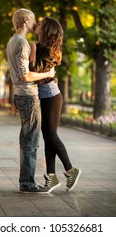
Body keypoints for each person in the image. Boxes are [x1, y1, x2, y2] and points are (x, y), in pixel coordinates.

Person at [30, 16, 81, 192]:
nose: (36, 24)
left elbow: (34, 69)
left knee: (51, 135)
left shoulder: (47, 50)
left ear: (47, 29)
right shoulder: (42, 47)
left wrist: (31, 49)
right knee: (47, 136)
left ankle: (70, 169)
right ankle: (51, 177)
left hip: (51, 96)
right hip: (45, 95)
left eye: (40, 24)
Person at [6, 8, 55, 193]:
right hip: (27, 95)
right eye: (33, 19)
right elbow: (25, 75)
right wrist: (48, 73)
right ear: (25, 20)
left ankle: (25, 181)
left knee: (26, 139)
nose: (36, 23)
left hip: (20, 94)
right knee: (31, 142)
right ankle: (27, 183)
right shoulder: (21, 43)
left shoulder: (13, 41)